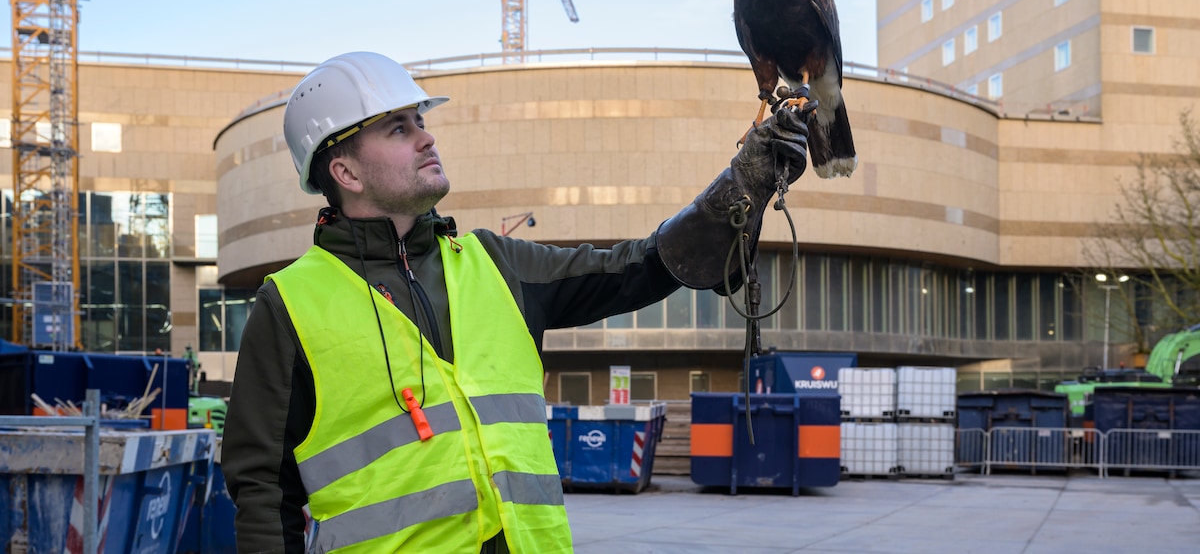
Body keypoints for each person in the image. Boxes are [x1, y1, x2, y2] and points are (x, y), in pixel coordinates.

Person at [222, 51, 809, 553]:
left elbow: (639, 266)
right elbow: (263, 496)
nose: (427, 135)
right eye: (398, 128)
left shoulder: (495, 264)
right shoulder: (289, 305)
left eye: (419, 119)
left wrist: (743, 186)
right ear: (344, 169)